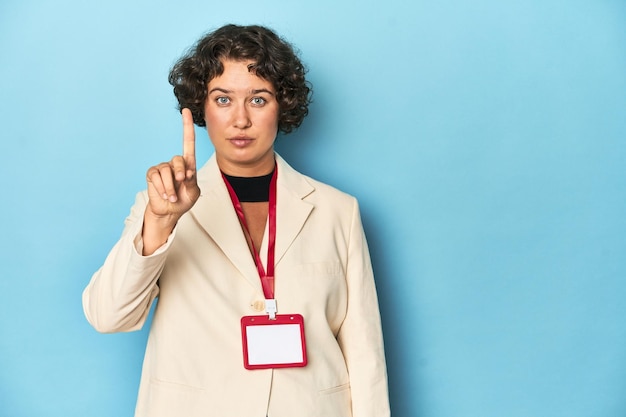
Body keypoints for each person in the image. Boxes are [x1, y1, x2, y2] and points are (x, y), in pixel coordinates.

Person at [83, 24, 390, 417]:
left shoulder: (337, 211)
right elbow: (108, 316)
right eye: (223, 99)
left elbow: (366, 354)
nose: (240, 119)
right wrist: (160, 223)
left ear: (283, 105)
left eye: (258, 99)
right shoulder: (161, 205)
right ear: (201, 107)